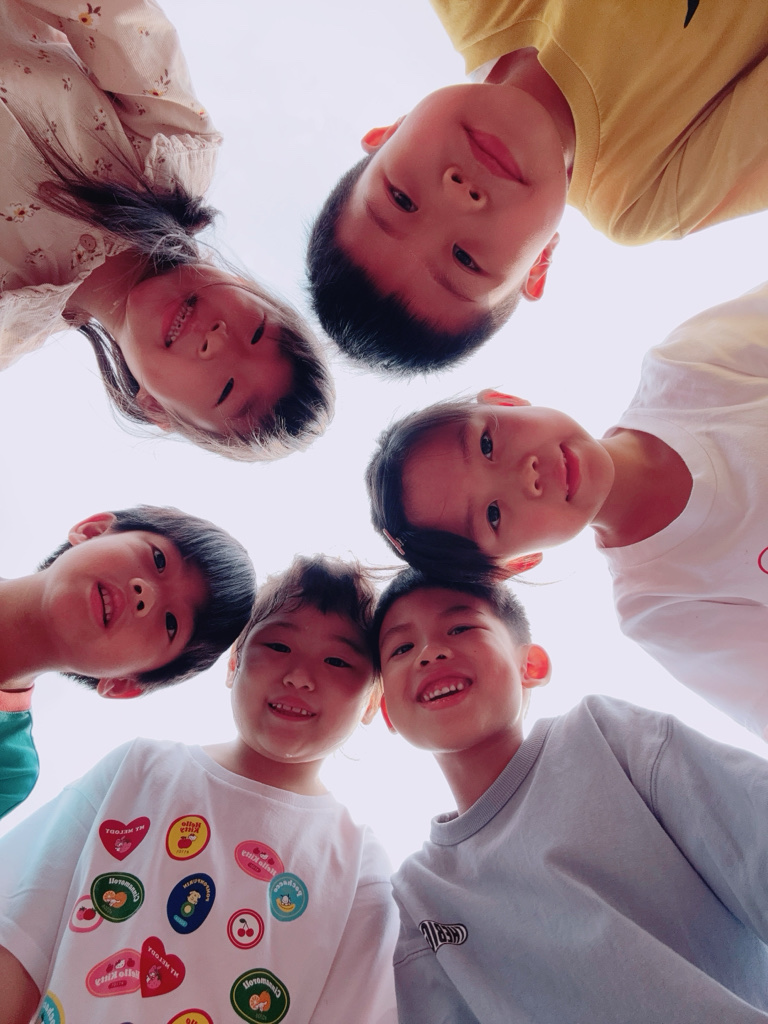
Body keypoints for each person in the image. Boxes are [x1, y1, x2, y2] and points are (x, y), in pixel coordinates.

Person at [0, 554, 398, 1024]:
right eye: (278, 645)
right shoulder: (138, 769)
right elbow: (19, 938)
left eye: (337, 660)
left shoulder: (361, 867)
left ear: (372, 699)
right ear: (234, 663)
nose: (299, 676)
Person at [366, 281, 768, 737]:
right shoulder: (659, 606)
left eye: (487, 444)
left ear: (504, 402)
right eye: (493, 515)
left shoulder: (690, 367)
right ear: (515, 562)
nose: (527, 476)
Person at [374, 568, 768, 1022]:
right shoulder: (419, 895)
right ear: (387, 712)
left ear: (531, 666)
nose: (430, 652)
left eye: (461, 627)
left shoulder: (606, 737)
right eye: (401, 648)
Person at [307, 1, 768, 374]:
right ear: (539, 263)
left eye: (401, 200)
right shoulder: (646, 196)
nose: (459, 195)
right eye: (464, 259)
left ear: (388, 133)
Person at [1, 0, 333, 461]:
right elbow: (111, 15)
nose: (217, 339)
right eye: (257, 331)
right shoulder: (169, 156)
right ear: (248, 287)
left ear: (156, 407)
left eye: (225, 389)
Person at [0, 504, 256, 818]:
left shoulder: (8, 770)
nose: (145, 593)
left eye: (171, 624)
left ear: (124, 683)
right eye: (158, 559)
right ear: (93, 530)